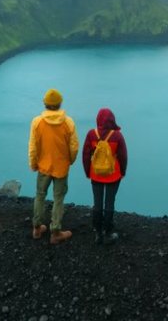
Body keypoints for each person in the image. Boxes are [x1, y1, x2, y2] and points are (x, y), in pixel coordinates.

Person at [28, 88, 79, 244]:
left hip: (43, 166)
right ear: (59, 104)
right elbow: (74, 146)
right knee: (58, 198)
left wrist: (33, 163)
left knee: (40, 195)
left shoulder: (37, 122)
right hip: (61, 167)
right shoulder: (68, 122)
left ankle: (37, 228)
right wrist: (70, 160)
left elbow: (33, 146)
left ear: (45, 104)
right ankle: (55, 231)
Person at [82, 107, 128, 244]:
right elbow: (123, 156)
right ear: (112, 120)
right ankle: (108, 231)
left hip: (96, 174)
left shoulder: (91, 134)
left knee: (97, 203)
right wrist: (123, 172)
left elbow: (85, 155)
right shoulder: (117, 136)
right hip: (113, 175)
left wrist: (87, 171)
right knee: (109, 203)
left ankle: (97, 232)